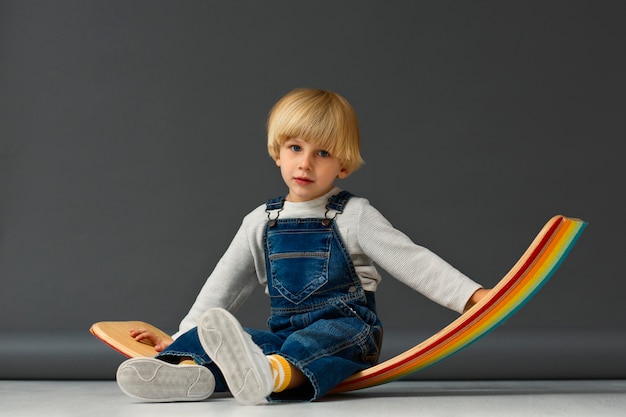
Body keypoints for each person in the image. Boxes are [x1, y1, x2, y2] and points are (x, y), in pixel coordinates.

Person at [116, 88, 490, 404]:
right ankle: (189, 374)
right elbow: (222, 287)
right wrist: (181, 337)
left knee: (319, 340)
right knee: (223, 335)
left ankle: (269, 377)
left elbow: (413, 260)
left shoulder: (354, 215)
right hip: (284, 336)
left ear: (342, 166)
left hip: (348, 333)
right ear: (277, 152)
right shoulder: (261, 220)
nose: (305, 164)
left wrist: (471, 297)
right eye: (295, 147)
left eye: (322, 153)